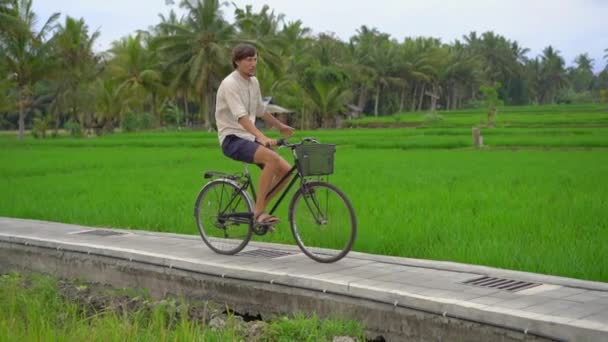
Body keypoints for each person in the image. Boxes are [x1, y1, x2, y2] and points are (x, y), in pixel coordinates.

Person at [214, 43, 295, 229]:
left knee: (286, 171)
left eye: (255, 59)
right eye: (248, 60)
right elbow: (241, 117)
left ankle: (258, 206)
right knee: (272, 160)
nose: (253, 64)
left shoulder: (254, 82)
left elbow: (260, 110)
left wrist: (280, 126)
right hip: (231, 138)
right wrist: (262, 137)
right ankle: (259, 213)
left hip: (248, 137)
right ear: (237, 62)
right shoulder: (230, 84)